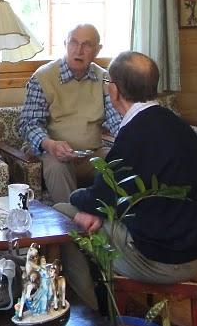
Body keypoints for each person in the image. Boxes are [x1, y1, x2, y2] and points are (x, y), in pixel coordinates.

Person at [55, 51, 197, 310]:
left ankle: (91, 312)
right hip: (196, 252)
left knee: (61, 213)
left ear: (114, 90)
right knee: (91, 216)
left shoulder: (135, 134)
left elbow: (98, 198)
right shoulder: (177, 125)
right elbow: (113, 195)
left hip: (161, 261)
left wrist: (81, 201)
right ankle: (101, 300)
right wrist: (98, 209)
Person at [18, 24, 122, 203]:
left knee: (120, 163)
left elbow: (117, 122)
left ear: (97, 50)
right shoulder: (43, 77)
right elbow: (28, 124)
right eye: (73, 42)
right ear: (65, 44)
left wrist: (133, 143)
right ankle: (70, 217)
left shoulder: (104, 79)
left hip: (92, 153)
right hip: (51, 152)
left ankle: (109, 217)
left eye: (86, 45)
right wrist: (50, 145)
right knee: (57, 166)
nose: (78, 50)